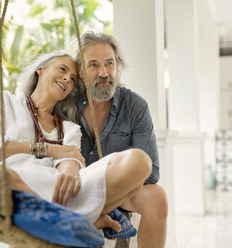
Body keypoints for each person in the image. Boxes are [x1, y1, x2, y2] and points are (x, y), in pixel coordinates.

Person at [0, 51, 152, 231]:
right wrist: (49, 150)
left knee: (140, 161)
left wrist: (69, 170)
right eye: (62, 69)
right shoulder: (4, 101)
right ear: (40, 69)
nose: (67, 79)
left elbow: (70, 159)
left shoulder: (70, 128)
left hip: (59, 193)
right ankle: (64, 218)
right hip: (9, 187)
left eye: (72, 79)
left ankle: (59, 216)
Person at [74, 31, 168, 248]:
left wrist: (108, 194)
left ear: (118, 66)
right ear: (79, 71)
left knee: (157, 198)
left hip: (119, 193)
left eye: (110, 63)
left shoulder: (135, 106)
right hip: (76, 189)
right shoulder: (66, 104)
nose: (104, 73)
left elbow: (151, 171)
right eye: (94, 65)